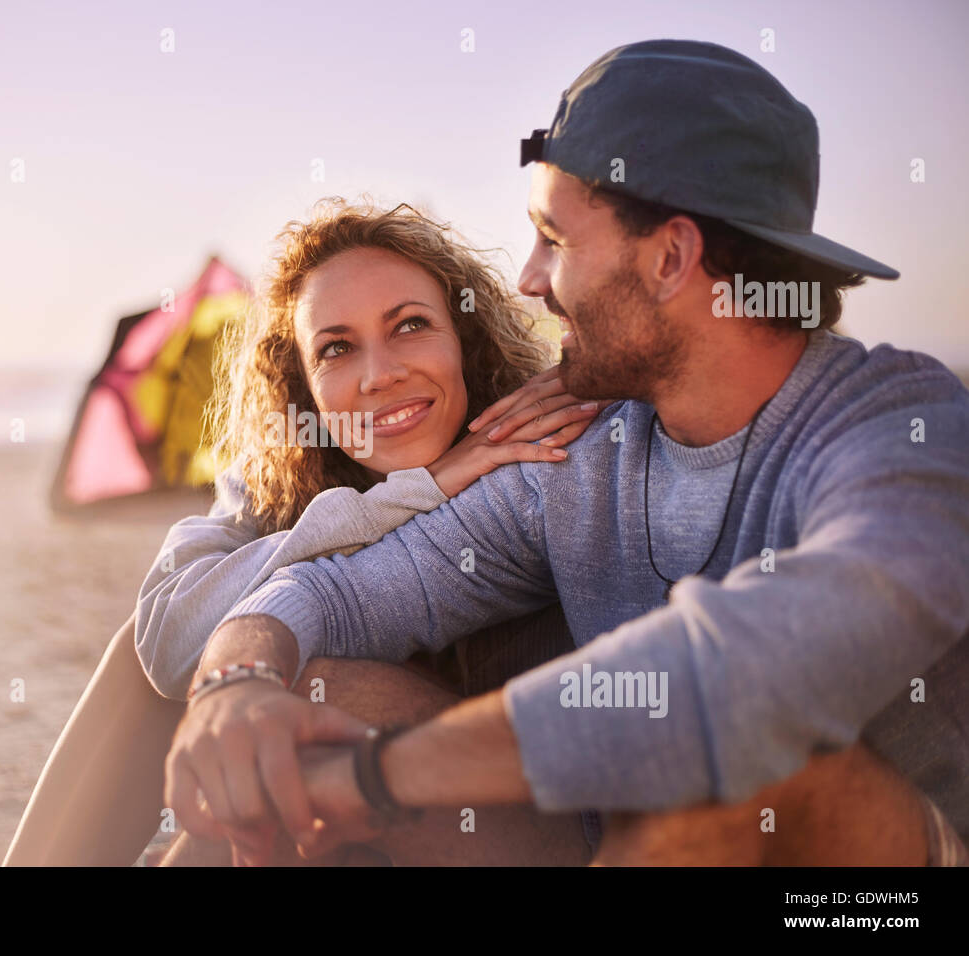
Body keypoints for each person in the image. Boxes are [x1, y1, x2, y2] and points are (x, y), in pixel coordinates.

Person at [164, 39, 969, 867]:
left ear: (669, 258)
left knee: (741, 785)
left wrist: (378, 775)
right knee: (298, 717)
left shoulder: (899, 428)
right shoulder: (584, 447)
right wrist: (238, 687)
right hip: (605, 843)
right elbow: (341, 594)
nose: (528, 281)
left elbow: (739, 680)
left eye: (555, 240)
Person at [3, 199, 610, 866]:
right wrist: (419, 490)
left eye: (410, 325)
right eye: (337, 349)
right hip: (367, 818)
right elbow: (166, 640)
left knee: (296, 713)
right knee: (179, 673)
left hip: (520, 818)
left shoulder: (527, 452)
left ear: (463, 340)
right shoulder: (281, 478)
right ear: (303, 388)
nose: (381, 374)